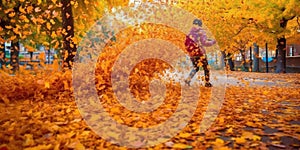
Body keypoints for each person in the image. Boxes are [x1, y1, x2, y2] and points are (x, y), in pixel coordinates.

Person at [184, 19, 216, 87]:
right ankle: (207, 82)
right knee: (206, 67)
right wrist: (213, 41)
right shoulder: (201, 32)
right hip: (200, 53)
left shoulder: (190, 33)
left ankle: (188, 79)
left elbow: (186, 43)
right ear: (200, 25)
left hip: (192, 54)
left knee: (196, 67)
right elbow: (205, 43)